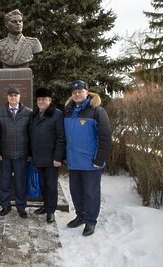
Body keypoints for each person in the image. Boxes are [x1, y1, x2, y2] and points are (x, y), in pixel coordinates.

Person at [64, 80, 112, 236]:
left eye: (80, 91)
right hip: (73, 162)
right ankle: (81, 215)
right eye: (74, 92)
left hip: (91, 163)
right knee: (76, 191)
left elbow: (105, 137)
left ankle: (91, 221)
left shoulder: (97, 111)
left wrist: (99, 159)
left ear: (87, 92)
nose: (77, 94)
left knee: (91, 193)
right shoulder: (69, 111)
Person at [0, 87, 32, 218]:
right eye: (11, 95)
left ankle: (21, 207)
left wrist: (30, 153)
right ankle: (5, 206)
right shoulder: (0, 112)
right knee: (4, 183)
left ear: (19, 97)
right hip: (5, 155)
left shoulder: (28, 112)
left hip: (21, 155)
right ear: (7, 97)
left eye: (16, 95)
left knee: (20, 183)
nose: (13, 97)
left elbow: (30, 134)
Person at [30, 87, 65, 223]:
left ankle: (51, 211)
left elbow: (61, 137)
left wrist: (58, 157)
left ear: (50, 100)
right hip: (38, 158)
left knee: (51, 185)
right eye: (39, 99)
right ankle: (45, 205)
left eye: (44, 99)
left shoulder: (57, 114)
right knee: (43, 184)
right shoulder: (35, 114)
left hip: (51, 159)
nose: (41, 101)